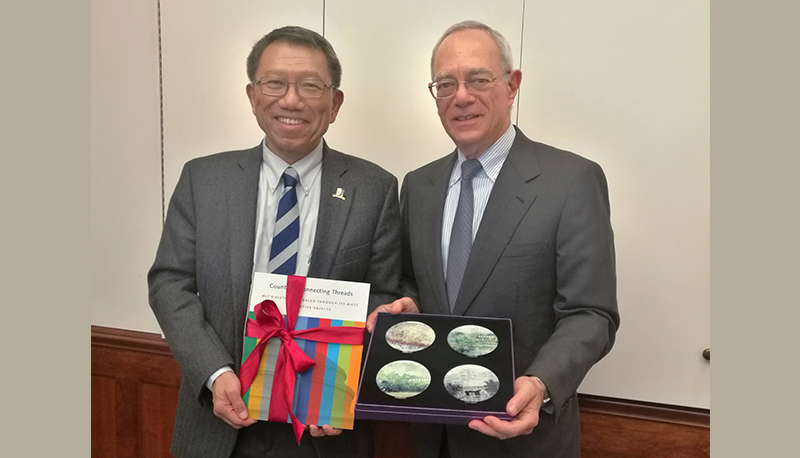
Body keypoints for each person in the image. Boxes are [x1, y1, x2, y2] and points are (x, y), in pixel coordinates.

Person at [366, 21, 620, 458]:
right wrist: (408, 304)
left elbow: (591, 313)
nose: (461, 96)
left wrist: (540, 385)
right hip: (434, 437)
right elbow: (413, 281)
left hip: (524, 437)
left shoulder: (572, 180)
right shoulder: (419, 186)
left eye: (479, 79)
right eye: (446, 84)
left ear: (511, 85)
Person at [149, 26, 401, 458]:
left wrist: (344, 385)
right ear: (252, 95)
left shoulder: (374, 188)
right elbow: (169, 284)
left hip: (324, 429)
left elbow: (387, 293)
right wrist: (213, 372)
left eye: (310, 86)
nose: (290, 100)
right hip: (219, 423)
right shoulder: (203, 180)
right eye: (274, 83)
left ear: (335, 102)